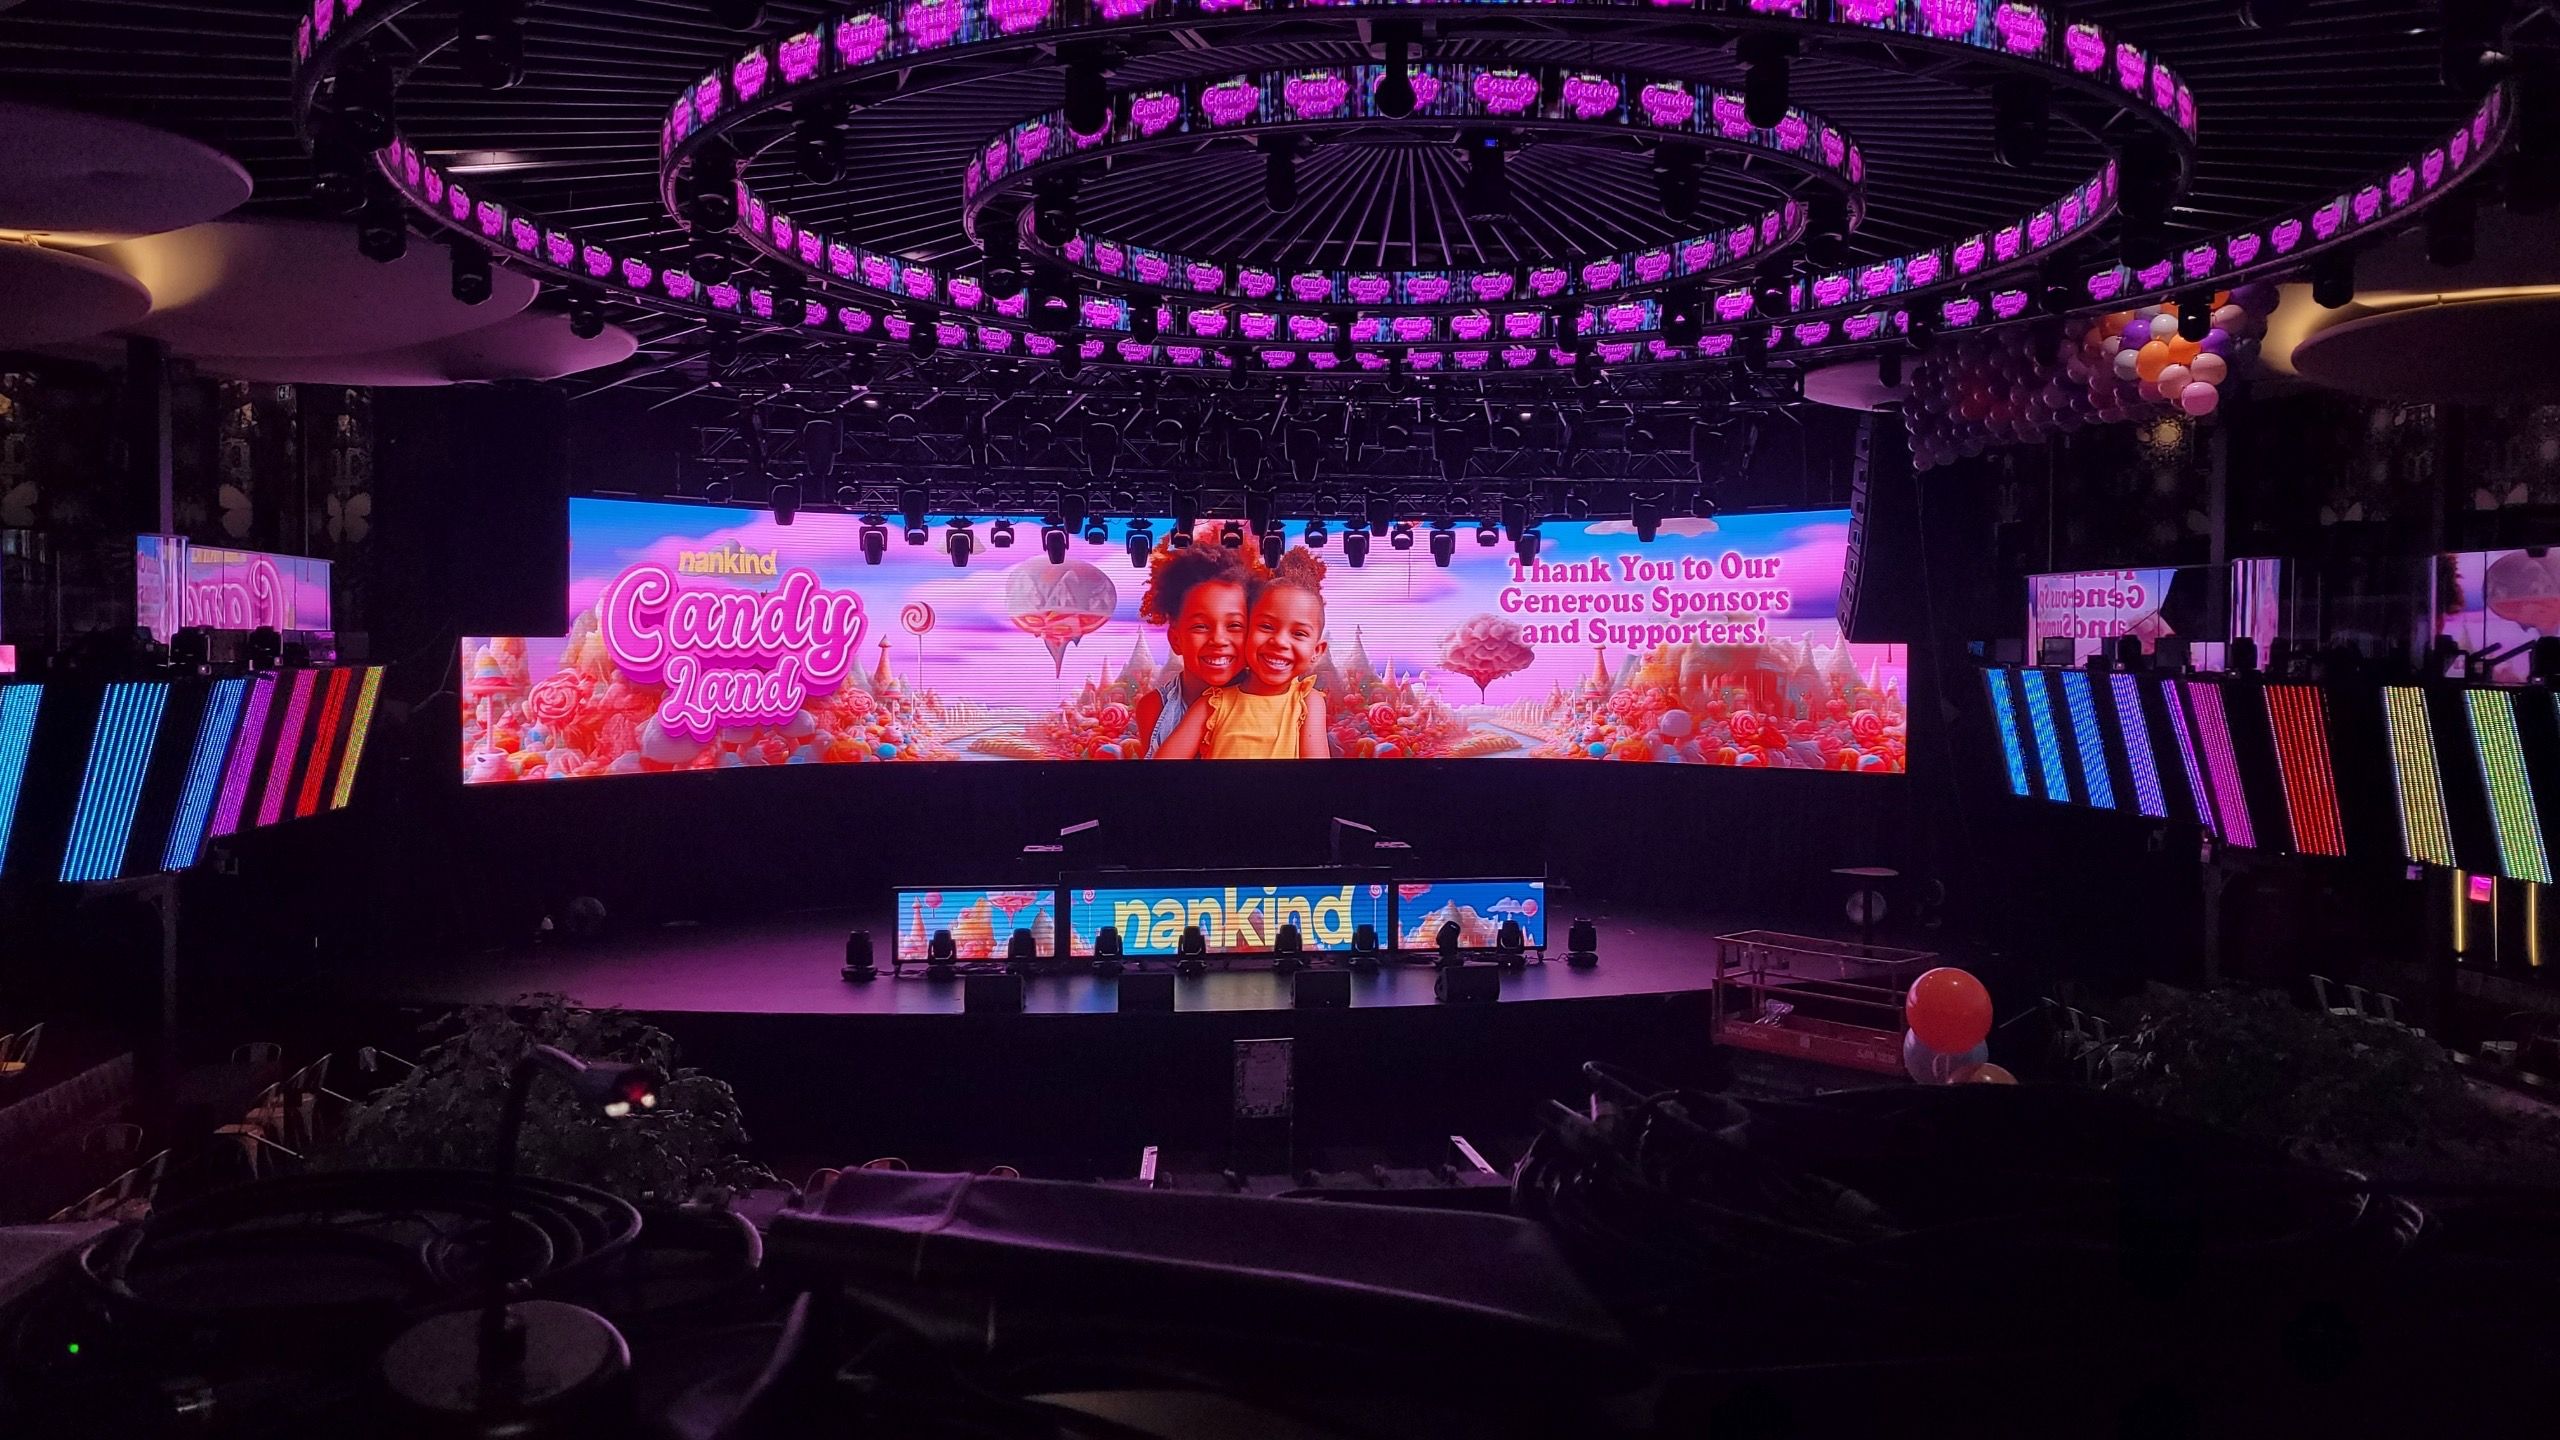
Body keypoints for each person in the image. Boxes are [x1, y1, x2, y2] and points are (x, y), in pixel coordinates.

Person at [1155, 547, 1331, 760]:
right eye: (1266, 627)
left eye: (1299, 633)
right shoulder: (1213, 703)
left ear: (1317, 651)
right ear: (1247, 630)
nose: (1279, 642)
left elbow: (1318, 778)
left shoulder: (1307, 702)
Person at [1129, 540, 1262, 758]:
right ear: (1176, 639)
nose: (1218, 639)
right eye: (1200, 626)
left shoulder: (1272, 700)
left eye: (1234, 626)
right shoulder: (1155, 707)